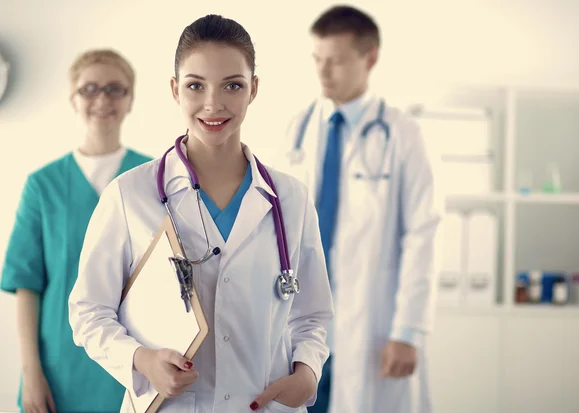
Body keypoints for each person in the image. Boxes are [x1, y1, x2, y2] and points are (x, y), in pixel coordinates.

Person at [68, 14, 334, 413]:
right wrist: (141, 361)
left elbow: (312, 315)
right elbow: (88, 312)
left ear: (253, 89)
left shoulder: (290, 200)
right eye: (196, 85)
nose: (213, 104)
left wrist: (308, 372)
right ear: (175, 90)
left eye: (233, 85)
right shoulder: (130, 195)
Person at [278, 5, 443, 413]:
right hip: (301, 319)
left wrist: (407, 331)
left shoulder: (403, 134)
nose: (323, 71)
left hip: (371, 321)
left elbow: (424, 233)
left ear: (370, 59)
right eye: (317, 59)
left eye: (335, 60)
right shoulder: (298, 129)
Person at [0, 49, 152, 413]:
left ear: (130, 99)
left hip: (136, 360)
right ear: (73, 99)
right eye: (89, 89)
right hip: (59, 365)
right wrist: (30, 373)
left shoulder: (153, 179)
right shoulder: (43, 185)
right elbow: (27, 286)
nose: (102, 99)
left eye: (115, 89)